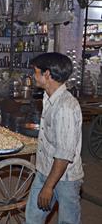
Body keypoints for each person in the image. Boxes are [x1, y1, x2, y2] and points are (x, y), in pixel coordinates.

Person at [25, 52, 83, 224]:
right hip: (44, 169)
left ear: (47, 74)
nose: (33, 76)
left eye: (36, 72)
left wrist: (49, 187)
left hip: (65, 179)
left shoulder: (65, 107)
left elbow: (64, 155)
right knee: (32, 219)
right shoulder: (48, 98)